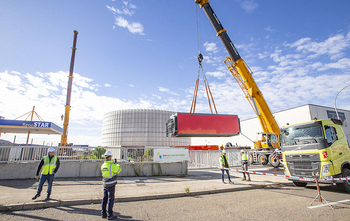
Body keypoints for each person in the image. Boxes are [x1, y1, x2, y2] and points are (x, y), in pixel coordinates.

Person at [101, 151, 122, 220]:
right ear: (110, 157)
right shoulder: (112, 166)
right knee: (110, 199)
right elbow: (119, 170)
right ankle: (110, 215)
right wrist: (117, 164)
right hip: (111, 185)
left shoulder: (103, 165)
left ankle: (103, 213)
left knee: (104, 199)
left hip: (105, 184)